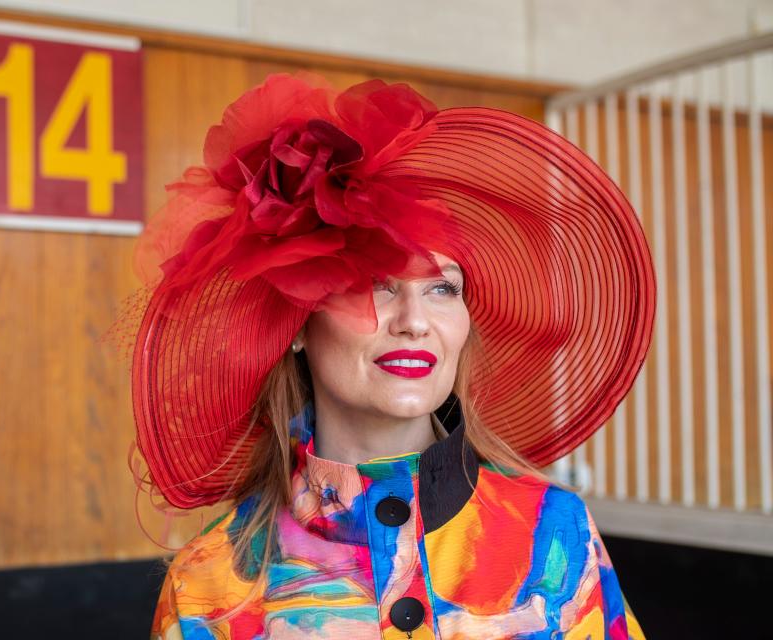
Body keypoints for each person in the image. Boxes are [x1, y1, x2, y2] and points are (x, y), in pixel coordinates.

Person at [113, 71, 653, 639]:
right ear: (297, 320)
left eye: (443, 288)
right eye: (375, 284)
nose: (415, 321)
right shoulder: (207, 579)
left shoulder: (555, 532)